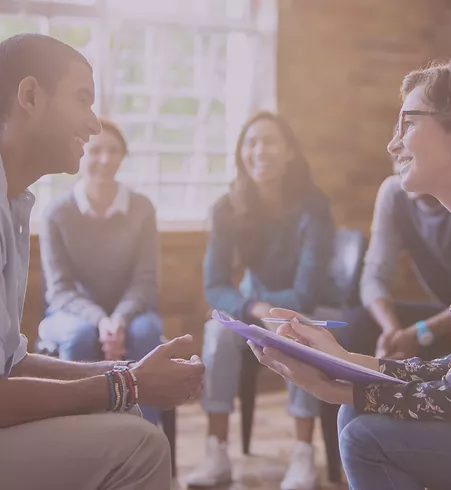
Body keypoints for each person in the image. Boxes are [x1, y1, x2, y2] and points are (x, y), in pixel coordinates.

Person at [249, 59, 451, 490]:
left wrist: (336, 387)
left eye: (408, 124)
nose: (392, 144)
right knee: (356, 415)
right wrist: (345, 361)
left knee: (363, 432)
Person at [0, 33, 204, 490]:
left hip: (117, 319)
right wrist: (127, 384)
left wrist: (126, 374)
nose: (94, 126)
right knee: (142, 445)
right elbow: (62, 291)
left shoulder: (14, 203)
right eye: (82, 100)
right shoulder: (45, 211)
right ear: (31, 95)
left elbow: (9, 362)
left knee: (133, 420)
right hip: (73, 321)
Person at [185, 111, 335, 490]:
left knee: (295, 332)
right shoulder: (227, 208)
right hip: (252, 306)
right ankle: (216, 450)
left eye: (269, 141)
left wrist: (265, 307)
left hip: (303, 308)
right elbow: (214, 284)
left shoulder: (314, 209)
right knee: (217, 334)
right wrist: (254, 308)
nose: (259, 150)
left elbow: (306, 292)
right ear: (241, 154)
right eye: (250, 143)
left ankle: (303, 453)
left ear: (288, 153)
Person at [38, 117, 164, 426]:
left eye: (113, 150)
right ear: (81, 152)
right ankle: (79, 434)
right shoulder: (56, 212)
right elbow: (60, 289)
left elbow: (146, 281)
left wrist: (118, 319)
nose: (105, 159)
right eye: (96, 151)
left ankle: (145, 435)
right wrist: (100, 320)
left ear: (123, 155)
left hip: (131, 312)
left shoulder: (142, 208)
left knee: (145, 332)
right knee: (80, 336)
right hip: (70, 314)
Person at [335, 168, 451, 361]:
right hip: (448, 316)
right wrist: (392, 331)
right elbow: (373, 278)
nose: (397, 152)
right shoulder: (395, 193)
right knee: (355, 326)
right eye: (399, 156)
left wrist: (421, 332)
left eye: (411, 154)